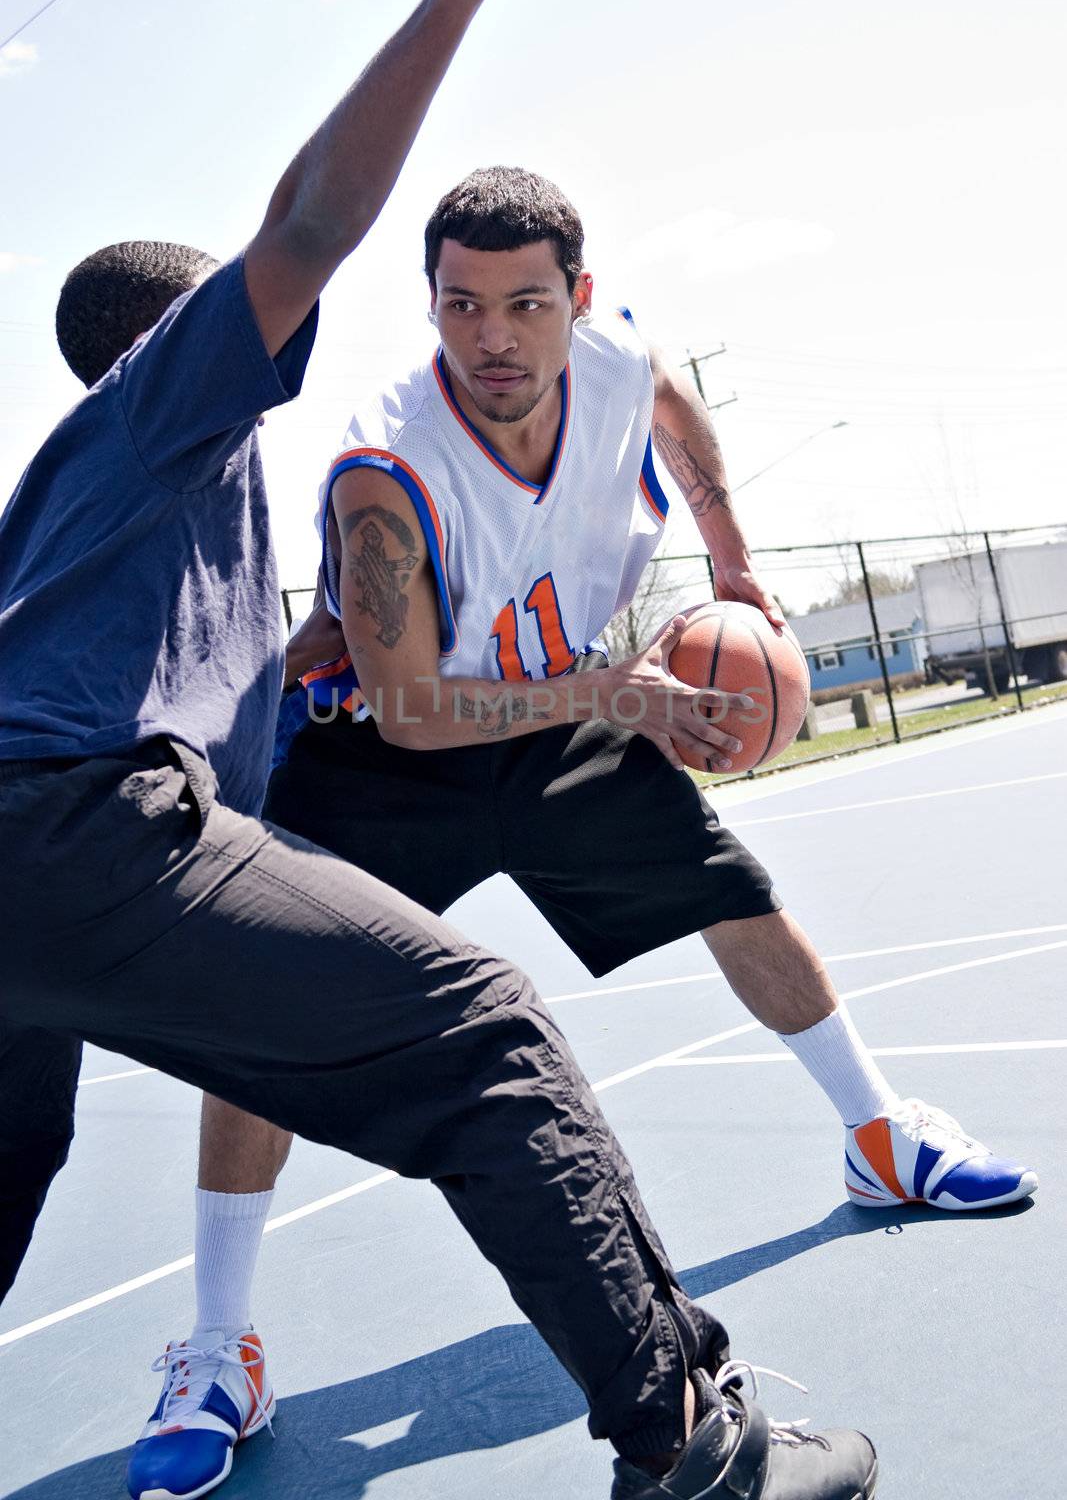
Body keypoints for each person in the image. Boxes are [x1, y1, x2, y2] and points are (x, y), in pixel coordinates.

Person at [0, 0, 881, 1500]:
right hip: (79, 830)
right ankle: (694, 1452)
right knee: (487, 1035)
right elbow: (320, 218)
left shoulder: (93, 508)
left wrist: (313, 657)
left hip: (20, 879)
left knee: (6, 1165)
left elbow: (176, 692)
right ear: (166, 343)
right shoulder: (171, 399)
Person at [139, 155, 1039, 1489]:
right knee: (261, 1022)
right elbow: (411, 704)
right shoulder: (386, 466)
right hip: (381, 749)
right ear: (429, 304)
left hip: (559, 709)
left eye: (524, 304)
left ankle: (878, 1136)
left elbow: (672, 398)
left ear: (579, 299)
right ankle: (219, 1345)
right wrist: (613, 689)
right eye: (461, 306)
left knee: (729, 885)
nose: (494, 338)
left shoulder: (619, 362)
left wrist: (731, 553)